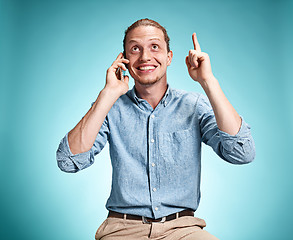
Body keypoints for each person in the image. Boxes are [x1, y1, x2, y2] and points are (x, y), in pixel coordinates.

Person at [56, 18, 255, 240]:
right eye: (135, 49)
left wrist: (208, 81)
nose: (145, 57)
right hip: (122, 230)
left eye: (154, 47)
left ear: (169, 57)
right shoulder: (111, 108)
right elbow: (69, 161)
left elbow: (241, 153)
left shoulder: (194, 105)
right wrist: (107, 94)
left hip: (183, 230)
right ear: (124, 59)